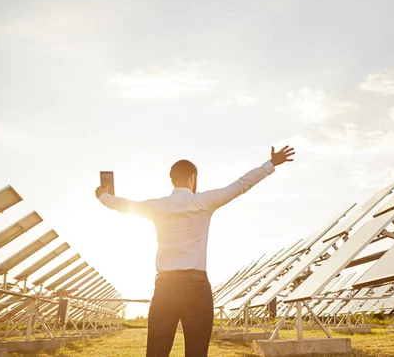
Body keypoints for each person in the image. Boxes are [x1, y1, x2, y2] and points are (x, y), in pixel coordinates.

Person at [95, 146, 295, 357]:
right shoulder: (202, 202)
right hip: (196, 288)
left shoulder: (157, 206)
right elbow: (241, 185)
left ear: (172, 180)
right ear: (193, 177)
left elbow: (126, 205)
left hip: (165, 288)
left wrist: (103, 196)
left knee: (156, 353)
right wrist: (271, 163)